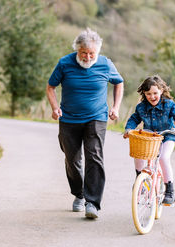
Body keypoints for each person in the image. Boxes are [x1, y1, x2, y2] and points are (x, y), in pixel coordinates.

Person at [46, 28, 124, 219]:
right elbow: (50, 87)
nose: (88, 57)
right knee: (72, 160)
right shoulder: (65, 63)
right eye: (84, 53)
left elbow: (119, 83)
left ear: (97, 52)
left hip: (96, 117)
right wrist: (55, 108)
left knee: (94, 157)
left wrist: (115, 107)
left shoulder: (105, 64)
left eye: (92, 54)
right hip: (69, 119)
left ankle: (93, 203)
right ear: (77, 50)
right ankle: (79, 195)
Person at [123, 75, 175, 205]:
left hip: (167, 136)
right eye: (148, 94)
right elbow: (134, 119)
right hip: (150, 137)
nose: (152, 97)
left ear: (161, 91)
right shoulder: (141, 107)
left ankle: (170, 191)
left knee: (164, 158)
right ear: (144, 93)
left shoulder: (169, 105)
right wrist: (128, 129)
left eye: (155, 93)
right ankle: (140, 180)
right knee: (139, 154)